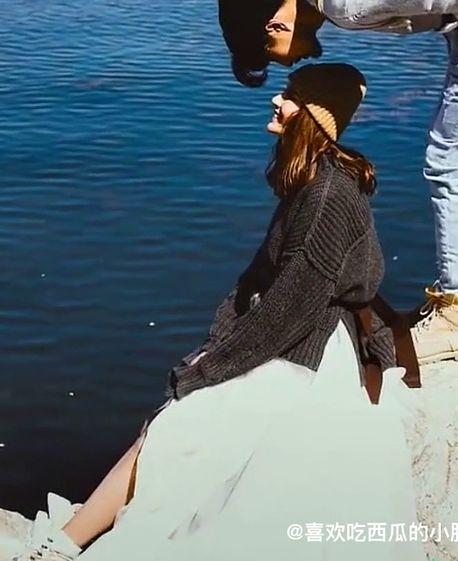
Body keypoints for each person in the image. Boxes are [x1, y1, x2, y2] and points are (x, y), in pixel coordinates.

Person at [9, 64, 423, 561]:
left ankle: (60, 547)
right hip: (294, 332)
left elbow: (287, 314)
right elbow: (256, 283)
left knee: (177, 426)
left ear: (315, 116)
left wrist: (209, 370)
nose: (277, 100)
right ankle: (69, 540)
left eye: (291, 96)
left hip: (311, 351)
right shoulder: (311, 179)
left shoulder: (326, 198)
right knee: (181, 417)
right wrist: (214, 345)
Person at [210, 0, 458, 366]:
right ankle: (455, 299)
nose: (295, 60)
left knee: (451, 164)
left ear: (275, 26)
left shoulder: (343, 1)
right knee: (452, 159)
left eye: (274, 56)